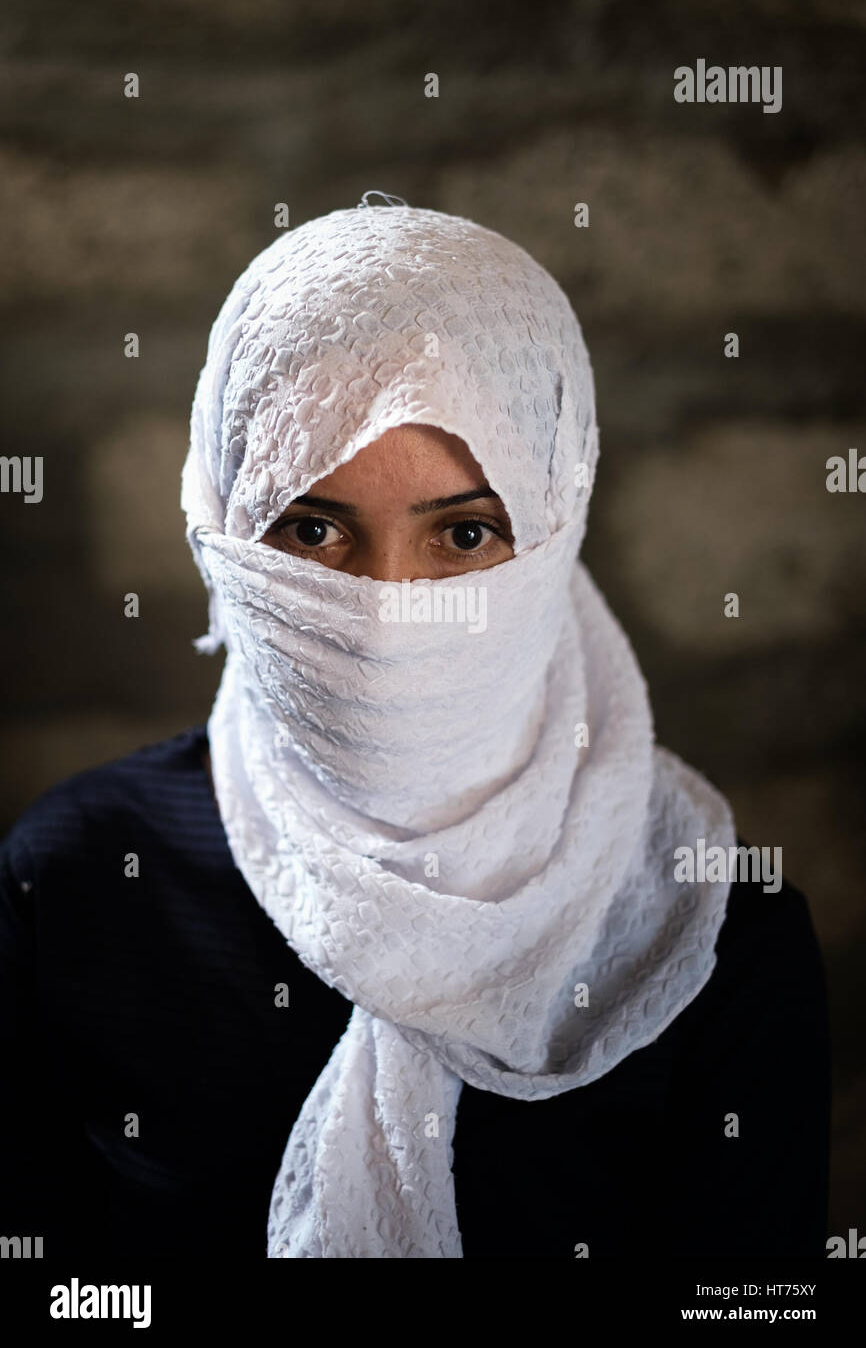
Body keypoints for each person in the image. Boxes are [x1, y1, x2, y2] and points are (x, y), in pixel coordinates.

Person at [0, 197, 830, 1260]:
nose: (389, 607)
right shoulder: (77, 880)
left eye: (465, 532)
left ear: (554, 520)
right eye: (312, 529)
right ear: (220, 523)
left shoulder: (702, 929)